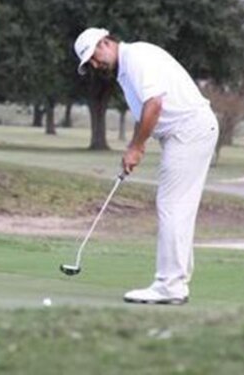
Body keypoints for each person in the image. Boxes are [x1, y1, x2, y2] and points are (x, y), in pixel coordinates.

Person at [73, 27, 218, 305]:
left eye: (94, 56)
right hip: (188, 132)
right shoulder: (126, 69)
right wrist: (138, 144)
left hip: (189, 131)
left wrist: (137, 147)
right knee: (178, 207)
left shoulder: (137, 57)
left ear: (106, 42)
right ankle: (176, 282)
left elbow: (155, 104)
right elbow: (149, 112)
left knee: (172, 206)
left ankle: (170, 286)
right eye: (89, 62)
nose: (95, 64)